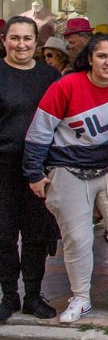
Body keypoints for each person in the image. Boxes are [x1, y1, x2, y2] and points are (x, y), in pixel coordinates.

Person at [24, 34, 108, 324]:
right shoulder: (66, 85)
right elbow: (39, 132)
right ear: (89, 58)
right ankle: (80, 297)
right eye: (102, 56)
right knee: (77, 239)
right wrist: (35, 173)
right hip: (68, 169)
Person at [0, 17, 60, 322]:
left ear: (36, 42)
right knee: (4, 235)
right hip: (3, 168)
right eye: (15, 38)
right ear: (4, 40)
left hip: (38, 169)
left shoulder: (49, 76)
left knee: (36, 234)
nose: (21, 44)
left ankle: (33, 297)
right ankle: (9, 296)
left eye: (27, 38)